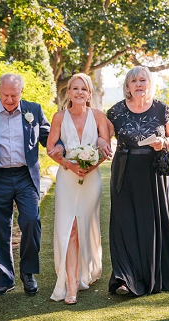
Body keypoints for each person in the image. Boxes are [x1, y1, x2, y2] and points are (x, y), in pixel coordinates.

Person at [0, 73, 64, 295]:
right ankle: (4, 278)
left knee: (31, 220)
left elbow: (48, 137)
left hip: (25, 176)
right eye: (5, 95)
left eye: (14, 95)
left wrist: (59, 146)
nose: (9, 99)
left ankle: (28, 273)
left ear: (21, 92)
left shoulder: (34, 110)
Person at [106, 66, 169, 296]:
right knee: (124, 223)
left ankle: (154, 275)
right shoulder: (116, 111)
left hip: (154, 173)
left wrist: (165, 142)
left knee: (152, 223)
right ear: (127, 86)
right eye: (134, 81)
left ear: (149, 83)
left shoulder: (162, 109)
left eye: (143, 80)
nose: (138, 84)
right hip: (124, 171)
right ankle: (124, 278)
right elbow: (102, 136)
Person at [46, 73, 109, 304]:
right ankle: (70, 284)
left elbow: (105, 148)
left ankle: (86, 271)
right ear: (69, 93)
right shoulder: (59, 117)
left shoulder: (99, 116)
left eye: (84, 89)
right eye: (75, 88)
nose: (80, 92)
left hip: (91, 180)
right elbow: (50, 148)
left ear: (89, 93)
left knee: (85, 225)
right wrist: (68, 164)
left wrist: (94, 165)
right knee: (70, 227)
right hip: (67, 178)